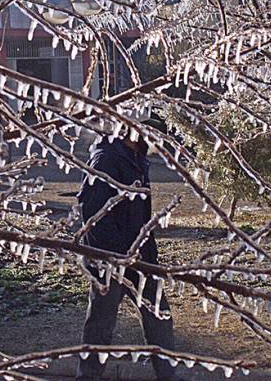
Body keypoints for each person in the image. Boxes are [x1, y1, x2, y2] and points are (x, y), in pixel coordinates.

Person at [76, 126, 182, 381]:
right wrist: (117, 257)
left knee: (159, 317)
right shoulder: (106, 158)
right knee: (101, 325)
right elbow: (93, 214)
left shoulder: (137, 158)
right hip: (109, 261)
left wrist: (147, 255)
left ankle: (168, 376)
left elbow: (141, 214)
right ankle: (88, 377)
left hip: (140, 259)